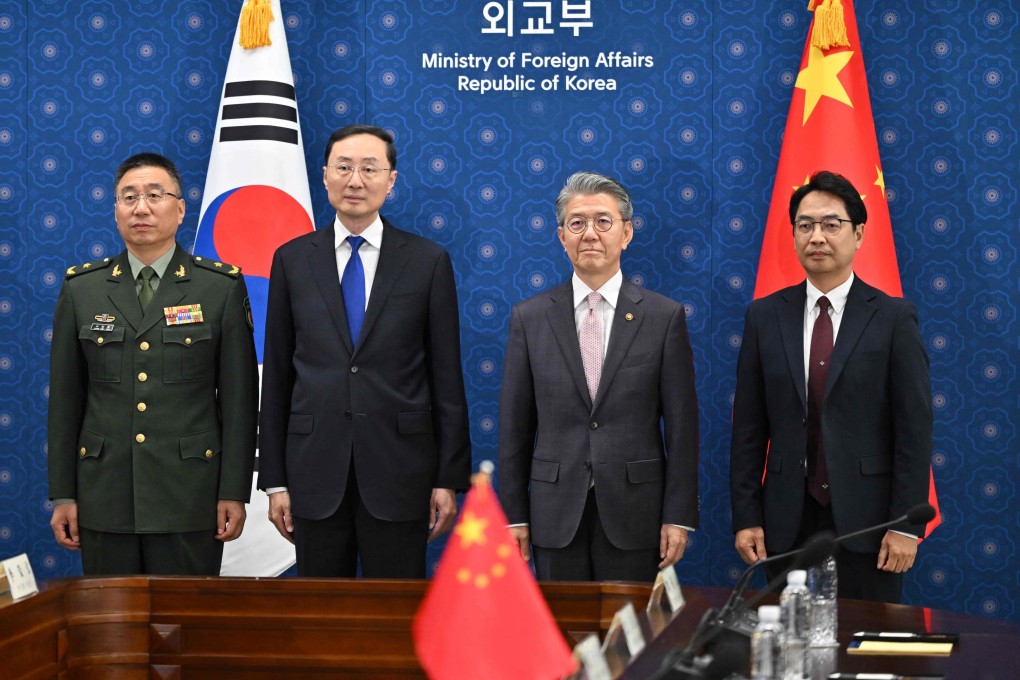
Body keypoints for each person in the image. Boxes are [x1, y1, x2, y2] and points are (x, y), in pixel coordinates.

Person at [258, 125, 471, 578]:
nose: (356, 180)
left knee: (393, 620)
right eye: (344, 167)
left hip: (401, 472)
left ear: (391, 180)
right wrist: (274, 480)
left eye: (370, 169)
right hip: (313, 472)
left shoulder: (427, 261)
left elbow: (446, 379)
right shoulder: (292, 260)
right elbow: (276, 375)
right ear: (325, 175)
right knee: (320, 618)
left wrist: (447, 478)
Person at [47, 152, 258, 575]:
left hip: (190, 493)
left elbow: (239, 402)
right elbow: (66, 402)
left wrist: (234, 491)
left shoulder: (219, 287)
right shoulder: (82, 288)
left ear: (180, 209)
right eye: (129, 197)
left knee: (185, 627)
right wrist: (64, 494)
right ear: (116, 210)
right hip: (105, 493)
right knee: (112, 628)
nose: (141, 207)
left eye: (154, 195)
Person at [729, 170, 931, 603]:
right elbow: (748, 428)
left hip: (871, 525)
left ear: (858, 234)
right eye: (805, 225)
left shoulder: (893, 318)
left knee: (862, 654)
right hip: (785, 523)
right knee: (787, 646)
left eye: (830, 224)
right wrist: (746, 517)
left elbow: (914, 430)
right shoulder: (764, 318)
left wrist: (904, 526)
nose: (816, 236)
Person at [498, 171, 700, 582]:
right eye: (577, 223)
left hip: (636, 511)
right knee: (560, 637)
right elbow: (514, 427)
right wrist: (514, 515)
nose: (590, 233)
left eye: (602, 221)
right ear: (561, 237)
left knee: (628, 640)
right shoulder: (530, 318)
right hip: (554, 513)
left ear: (626, 233)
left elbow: (682, 428)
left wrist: (678, 515)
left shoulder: (663, 317)